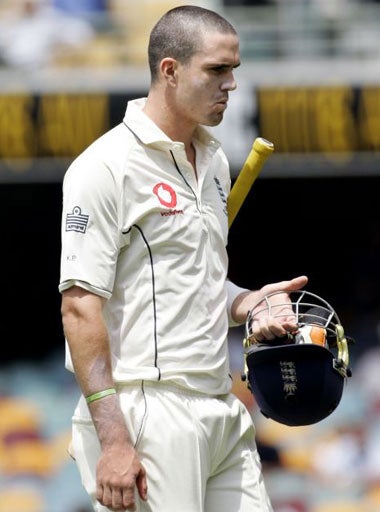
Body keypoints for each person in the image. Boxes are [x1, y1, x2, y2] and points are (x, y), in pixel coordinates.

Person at [59, 5, 308, 512]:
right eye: (217, 70)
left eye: (234, 69)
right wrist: (113, 440)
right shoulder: (104, 167)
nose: (231, 84)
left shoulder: (214, 159)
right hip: (149, 411)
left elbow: (196, 278)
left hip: (220, 402)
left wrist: (250, 303)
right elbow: (79, 306)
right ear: (170, 71)